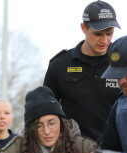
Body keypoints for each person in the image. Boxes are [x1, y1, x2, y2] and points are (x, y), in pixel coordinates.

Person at [43, 0, 120, 142]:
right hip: (72, 152)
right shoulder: (60, 65)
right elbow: (45, 110)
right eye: (98, 34)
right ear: (83, 27)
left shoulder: (122, 63)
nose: (105, 40)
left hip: (113, 151)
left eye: (109, 34)